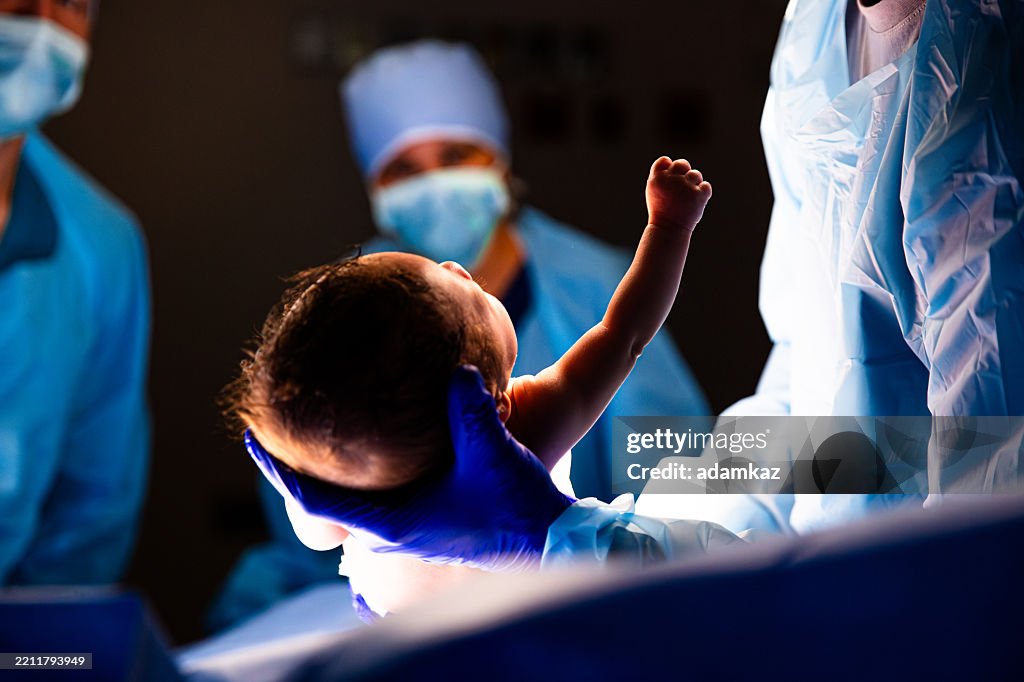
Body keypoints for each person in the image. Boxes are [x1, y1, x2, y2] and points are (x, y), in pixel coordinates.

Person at [253, 0, 1023, 569]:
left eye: (455, 154)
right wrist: (605, 543)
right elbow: (820, 410)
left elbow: (986, 490)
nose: (454, 264)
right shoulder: (814, 35)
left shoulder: (989, 66)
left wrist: (576, 543)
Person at [210, 39, 711, 628]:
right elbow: (624, 334)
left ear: (498, 159)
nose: (434, 183)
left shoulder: (589, 281)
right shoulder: (356, 325)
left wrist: (806, 465)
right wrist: (670, 230)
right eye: (403, 168)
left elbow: (706, 461)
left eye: (455, 153)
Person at [0, 1, 150, 584]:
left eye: (68, 2)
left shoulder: (100, 245)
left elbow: (93, 508)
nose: (36, 19)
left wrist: (34, 637)